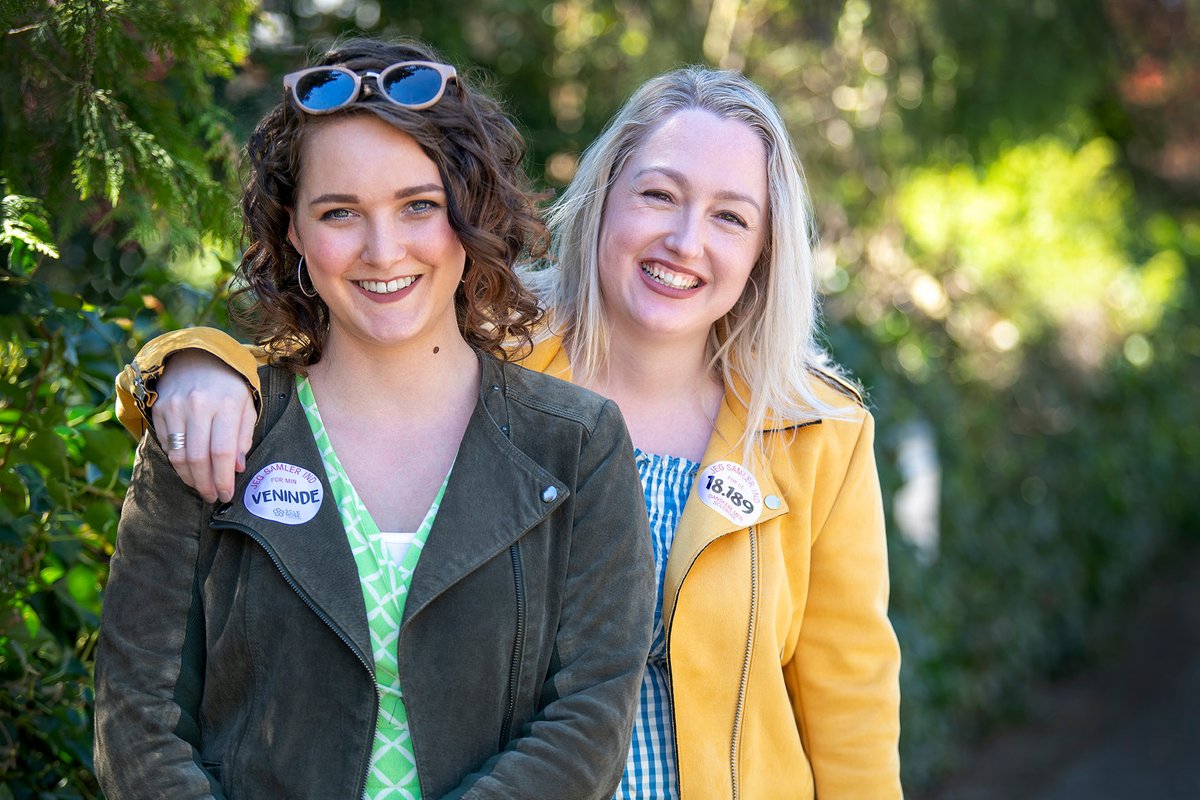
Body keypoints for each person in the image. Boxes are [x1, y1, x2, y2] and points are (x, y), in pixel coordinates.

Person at [115, 66, 903, 798]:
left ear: (766, 248)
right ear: (603, 199)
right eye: (659, 196)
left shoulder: (816, 432)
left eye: (731, 217)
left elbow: (850, 700)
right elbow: (319, 362)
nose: (685, 240)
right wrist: (190, 362)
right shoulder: (489, 346)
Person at [94, 37, 655, 800]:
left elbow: (587, 722)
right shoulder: (211, 427)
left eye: (418, 205)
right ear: (293, 230)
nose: (382, 249)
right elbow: (136, 722)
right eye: (339, 212)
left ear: (471, 211)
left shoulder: (579, 445)